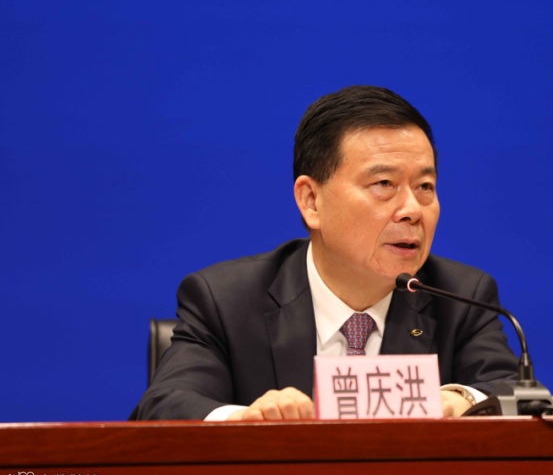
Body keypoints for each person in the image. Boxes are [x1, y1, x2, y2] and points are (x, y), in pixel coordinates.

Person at [131, 85, 519, 421]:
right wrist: (244, 421)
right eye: (384, 183)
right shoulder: (226, 300)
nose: (412, 210)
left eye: (425, 187)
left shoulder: (461, 298)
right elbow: (164, 405)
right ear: (311, 201)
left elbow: (517, 393)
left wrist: (461, 399)